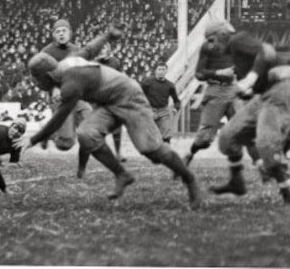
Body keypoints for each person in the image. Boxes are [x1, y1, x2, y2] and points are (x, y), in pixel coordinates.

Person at [17, 50, 202, 209]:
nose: (37, 85)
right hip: (108, 102)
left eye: (38, 80)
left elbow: (60, 118)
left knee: (151, 149)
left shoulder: (70, 84)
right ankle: (122, 174)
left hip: (130, 98)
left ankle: (189, 178)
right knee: (86, 134)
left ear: (47, 76)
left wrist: (33, 139)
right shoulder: (65, 68)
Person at [210, 29, 290, 205]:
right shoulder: (232, 54)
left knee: (267, 144)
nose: (211, 45)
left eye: (212, 39)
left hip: (279, 91)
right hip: (263, 95)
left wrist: (250, 79)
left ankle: (288, 194)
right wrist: (248, 90)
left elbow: (266, 51)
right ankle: (236, 181)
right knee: (227, 137)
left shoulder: (237, 40)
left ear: (221, 35)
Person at [32, 19, 121, 177]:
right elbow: (39, 78)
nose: (61, 34)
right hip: (60, 98)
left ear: (70, 33)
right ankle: (47, 133)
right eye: (57, 31)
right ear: (53, 34)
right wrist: (52, 88)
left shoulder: (77, 50)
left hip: (78, 96)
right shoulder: (45, 53)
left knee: (90, 131)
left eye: (63, 31)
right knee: (65, 144)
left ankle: (81, 169)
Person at [184, 20, 264, 169]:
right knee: (205, 137)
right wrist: (218, 73)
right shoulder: (207, 48)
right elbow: (199, 73)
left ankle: (259, 163)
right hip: (215, 90)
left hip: (233, 89)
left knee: (245, 126)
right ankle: (190, 154)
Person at [97, 43, 125, 161]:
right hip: (98, 98)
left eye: (103, 48)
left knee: (117, 125)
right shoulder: (94, 63)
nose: (101, 50)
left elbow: (121, 77)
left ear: (108, 50)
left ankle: (118, 153)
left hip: (113, 97)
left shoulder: (115, 62)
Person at [140, 63, 180, 144]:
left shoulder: (170, 85)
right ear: (155, 71)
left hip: (163, 112)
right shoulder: (147, 82)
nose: (161, 72)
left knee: (166, 135)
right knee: (150, 136)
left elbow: (177, 100)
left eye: (163, 69)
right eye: (159, 69)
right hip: (150, 111)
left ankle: (166, 154)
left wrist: (175, 108)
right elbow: (139, 94)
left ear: (166, 71)